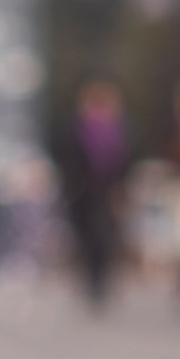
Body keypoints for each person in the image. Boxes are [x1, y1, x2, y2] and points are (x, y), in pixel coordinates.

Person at [54, 80, 129, 310]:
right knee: (86, 237)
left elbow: (123, 162)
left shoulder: (117, 128)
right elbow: (68, 158)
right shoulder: (78, 126)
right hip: (84, 192)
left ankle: (101, 282)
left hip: (107, 191)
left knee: (104, 238)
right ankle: (90, 281)